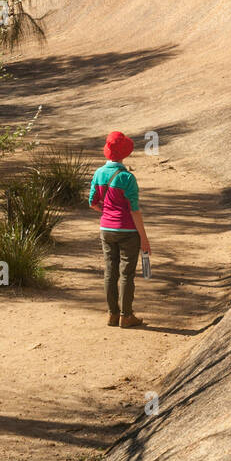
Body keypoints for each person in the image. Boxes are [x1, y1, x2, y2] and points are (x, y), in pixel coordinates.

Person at [89, 131, 151, 328]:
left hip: (106, 229)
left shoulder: (98, 173)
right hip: (127, 231)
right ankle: (126, 316)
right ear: (124, 153)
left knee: (110, 271)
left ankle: (112, 314)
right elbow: (135, 211)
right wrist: (144, 238)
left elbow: (92, 202)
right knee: (126, 274)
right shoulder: (127, 178)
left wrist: (106, 212)